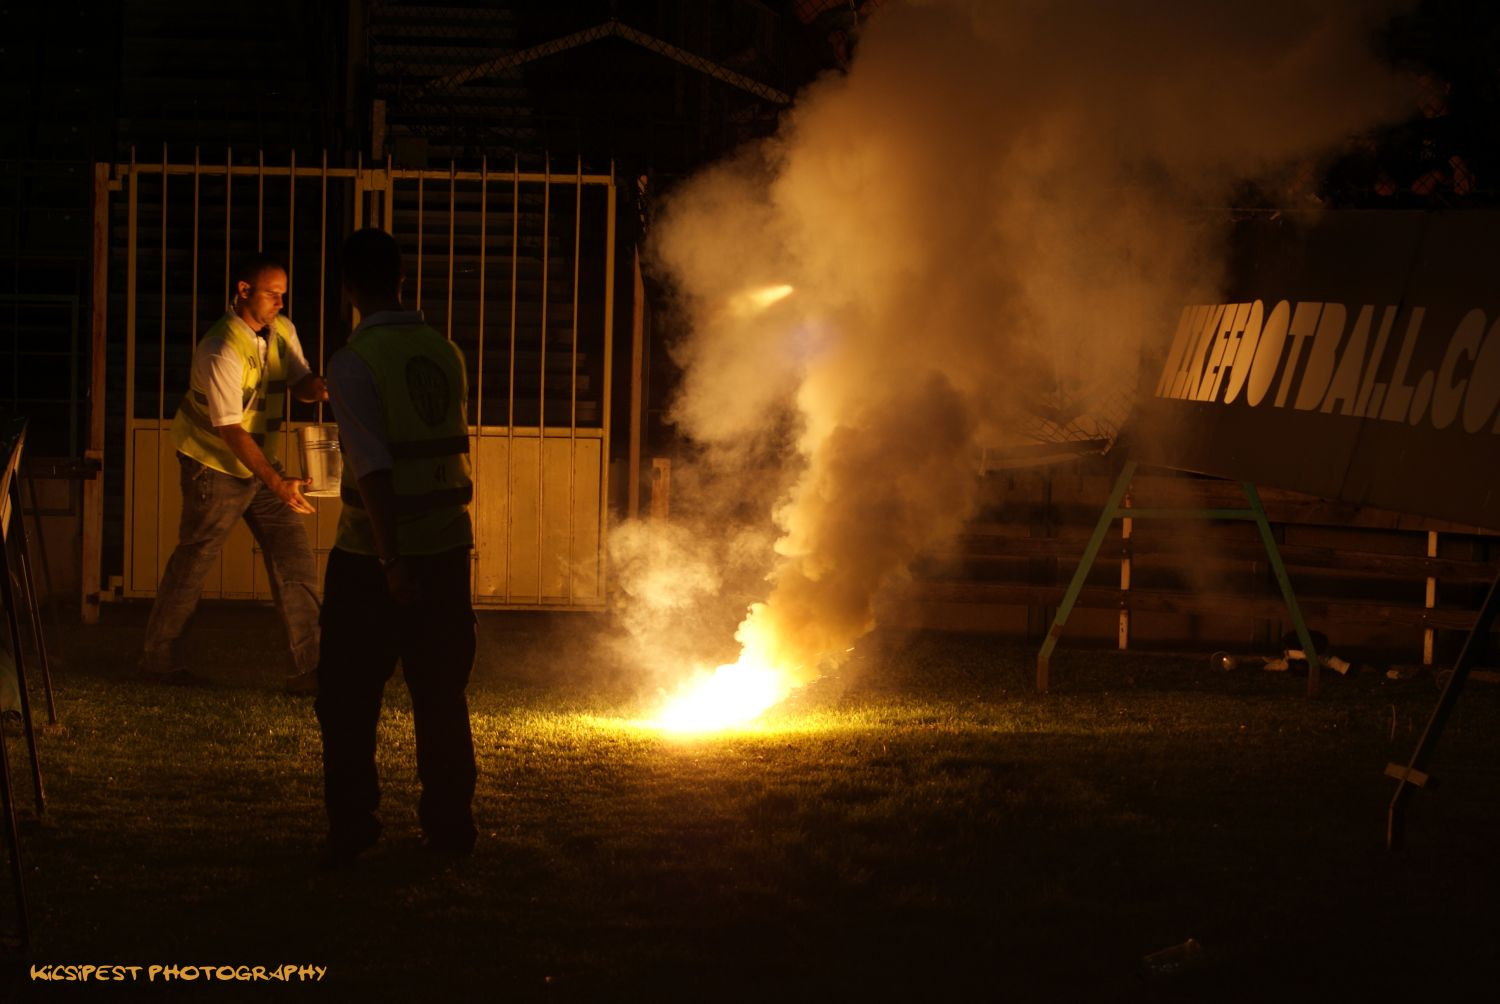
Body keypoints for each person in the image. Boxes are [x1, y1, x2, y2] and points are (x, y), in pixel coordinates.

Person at [315, 228, 477, 866]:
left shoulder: (354, 361)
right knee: (440, 696)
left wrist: (389, 562)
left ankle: (354, 825)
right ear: (402, 278)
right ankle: (450, 829)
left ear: (349, 288)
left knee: (348, 700)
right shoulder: (443, 351)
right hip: (447, 545)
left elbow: (373, 467)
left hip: (373, 556)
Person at [140, 254, 327, 694]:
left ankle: (311, 670)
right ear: (243, 291)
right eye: (271, 293)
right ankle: (158, 659)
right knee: (195, 560)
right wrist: (277, 482)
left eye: (283, 293)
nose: (280, 301)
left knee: (294, 559)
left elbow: (298, 381)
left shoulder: (282, 331)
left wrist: (317, 387)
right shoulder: (220, 348)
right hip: (215, 464)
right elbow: (229, 429)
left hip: (258, 465)